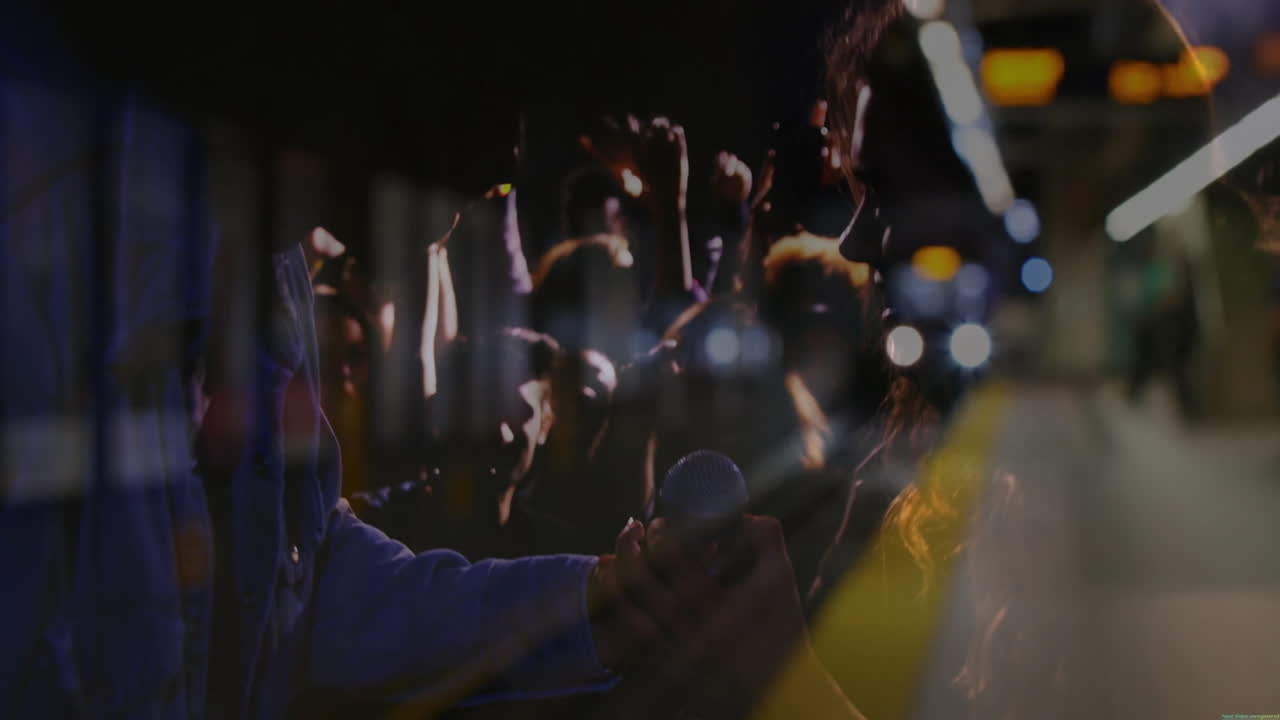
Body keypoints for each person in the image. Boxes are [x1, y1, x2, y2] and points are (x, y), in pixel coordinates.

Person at [0, 75, 864, 720]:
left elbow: (304, 577)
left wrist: (604, 605)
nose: (504, 159)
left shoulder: (269, 269)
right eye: (487, 70)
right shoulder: (41, 228)